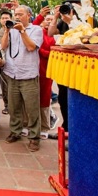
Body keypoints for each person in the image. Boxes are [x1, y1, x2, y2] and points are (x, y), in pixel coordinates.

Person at [1, 4, 44, 152]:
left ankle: (34, 138)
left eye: (20, 14)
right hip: (12, 73)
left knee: (32, 109)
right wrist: (7, 31)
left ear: (29, 16)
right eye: (15, 14)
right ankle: (15, 132)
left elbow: (31, 47)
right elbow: (3, 46)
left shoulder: (36, 30)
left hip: (28, 75)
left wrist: (23, 32)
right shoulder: (11, 30)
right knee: (13, 107)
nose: (17, 17)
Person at [47, 0, 82, 139]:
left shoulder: (87, 19)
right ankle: (66, 129)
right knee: (63, 98)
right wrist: (55, 17)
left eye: (73, 5)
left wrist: (72, 20)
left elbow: (85, 35)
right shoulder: (63, 20)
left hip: (79, 66)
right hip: (64, 65)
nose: (70, 8)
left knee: (76, 101)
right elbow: (50, 33)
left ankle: (76, 135)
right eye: (68, 5)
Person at [35, 7, 58, 139]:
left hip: (47, 70)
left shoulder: (55, 37)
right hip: (33, 69)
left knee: (45, 98)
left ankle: (45, 126)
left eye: (52, 20)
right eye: (47, 19)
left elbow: (55, 52)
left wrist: (43, 52)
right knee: (32, 98)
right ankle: (29, 125)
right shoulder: (37, 32)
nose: (49, 22)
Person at [0, 8, 13, 118]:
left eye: (7, 18)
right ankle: (7, 105)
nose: (4, 20)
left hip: (12, 61)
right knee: (4, 85)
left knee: (11, 85)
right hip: (0, 60)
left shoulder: (14, 29)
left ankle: (12, 105)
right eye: (2, 18)